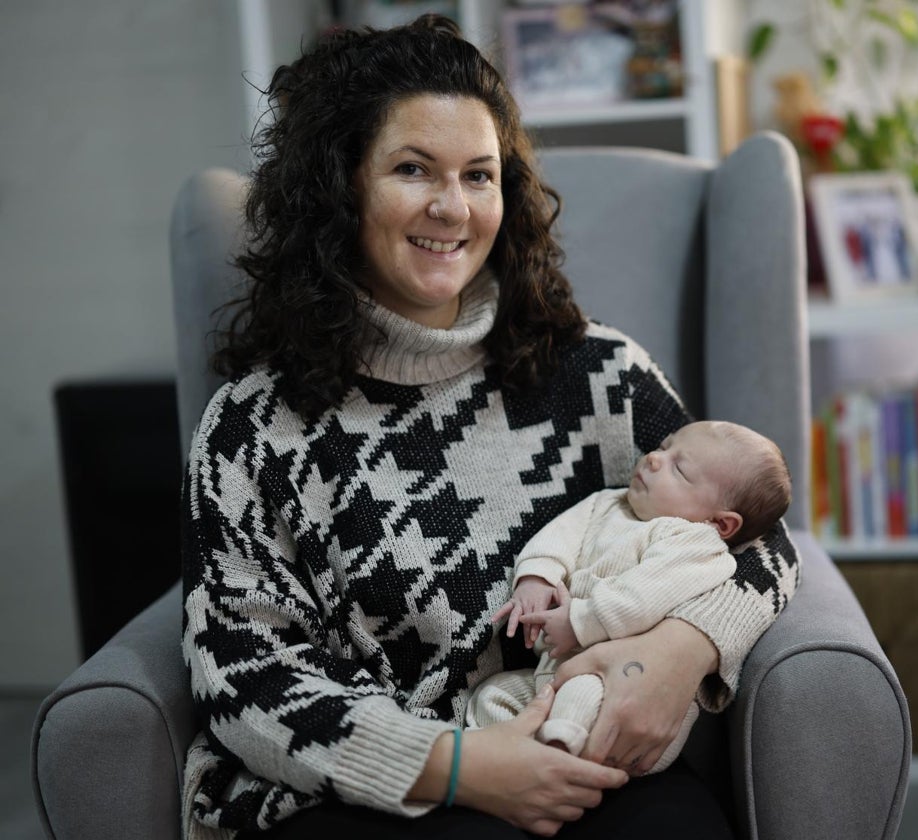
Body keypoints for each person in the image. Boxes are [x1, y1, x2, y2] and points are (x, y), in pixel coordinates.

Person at [180, 15, 799, 840]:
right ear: (339, 187)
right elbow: (241, 671)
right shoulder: (254, 429)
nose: (453, 207)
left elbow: (760, 541)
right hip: (363, 792)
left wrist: (684, 651)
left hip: (577, 754)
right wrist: (460, 767)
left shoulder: (596, 374)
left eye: (480, 175)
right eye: (412, 169)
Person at [470, 421, 791, 774]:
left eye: (679, 467)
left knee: (582, 698)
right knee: (492, 696)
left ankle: (558, 759)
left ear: (721, 524)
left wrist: (580, 621)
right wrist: (536, 577)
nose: (654, 457)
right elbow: (559, 536)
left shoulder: (695, 544)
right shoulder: (607, 502)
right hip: (550, 672)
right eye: (664, 446)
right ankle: (505, 757)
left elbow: (641, 597)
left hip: (622, 689)